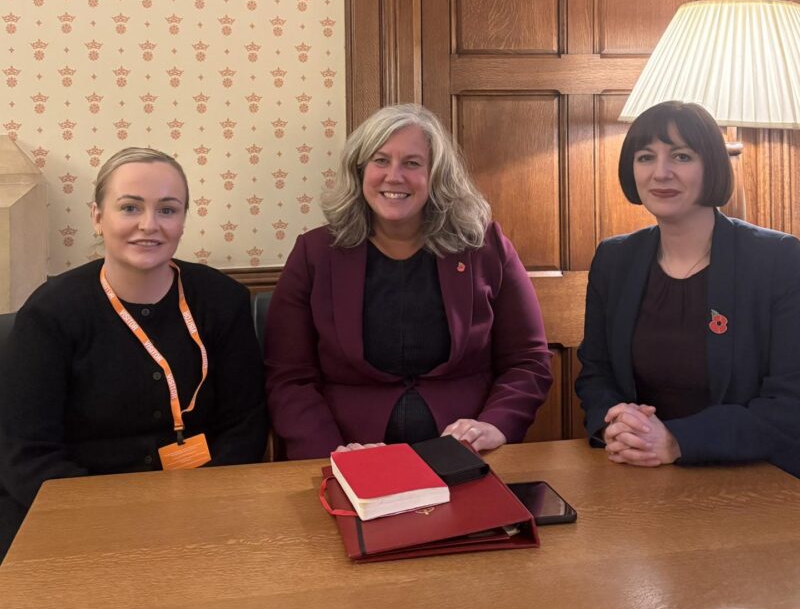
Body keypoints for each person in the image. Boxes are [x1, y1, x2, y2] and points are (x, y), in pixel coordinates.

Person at [0, 148, 267, 560]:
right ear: (97, 216)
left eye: (167, 210)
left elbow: (245, 427)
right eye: (129, 207)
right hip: (75, 519)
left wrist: (198, 505)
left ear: (182, 220)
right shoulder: (50, 313)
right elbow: (27, 454)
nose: (149, 225)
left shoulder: (223, 300)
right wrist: (117, 519)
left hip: (201, 510)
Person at [264, 104, 552, 460]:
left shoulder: (485, 246)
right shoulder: (314, 253)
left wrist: (495, 425)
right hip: (349, 455)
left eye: (412, 163)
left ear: (436, 175)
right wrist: (331, 453)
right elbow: (289, 378)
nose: (394, 176)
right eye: (380, 161)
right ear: (360, 170)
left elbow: (527, 361)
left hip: (467, 454)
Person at [576, 101, 800, 476]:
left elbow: (790, 403)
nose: (660, 173)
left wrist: (676, 440)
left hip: (756, 475)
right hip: (638, 470)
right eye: (646, 157)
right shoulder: (614, 259)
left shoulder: (778, 258)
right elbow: (596, 374)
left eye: (681, 156)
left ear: (712, 165)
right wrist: (616, 421)